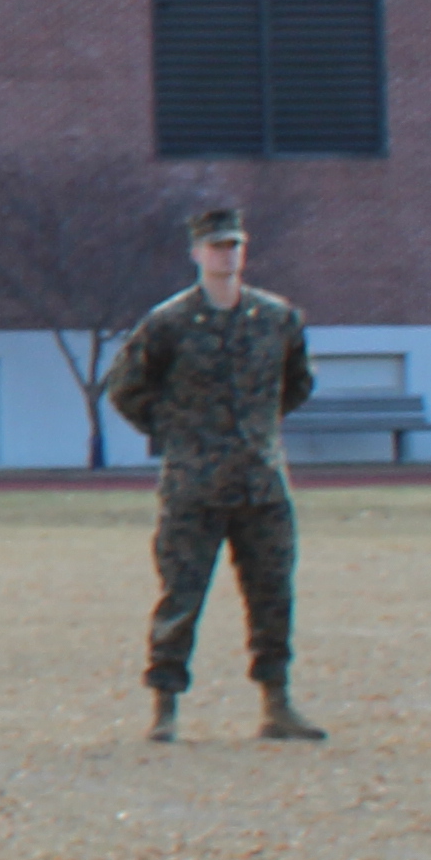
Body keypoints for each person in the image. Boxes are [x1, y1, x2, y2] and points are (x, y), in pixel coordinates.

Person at [108, 205, 322, 744]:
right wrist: (176, 433)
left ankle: (277, 704)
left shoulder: (276, 318)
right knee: (180, 597)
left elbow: (297, 382)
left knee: (272, 595)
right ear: (196, 252)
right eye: (217, 246)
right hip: (194, 487)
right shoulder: (170, 322)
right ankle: (165, 706)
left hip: (260, 484)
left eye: (234, 245)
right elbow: (126, 386)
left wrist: (257, 429)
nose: (227, 255)